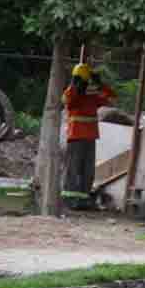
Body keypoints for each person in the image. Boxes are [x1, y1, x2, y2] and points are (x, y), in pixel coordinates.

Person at [61, 62, 117, 210]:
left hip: (90, 137)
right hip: (76, 137)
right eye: (81, 81)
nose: (84, 84)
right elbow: (67, 100)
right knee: (73, 169)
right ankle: (70, 200)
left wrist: (100, 84)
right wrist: (74, 85)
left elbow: (111, 97)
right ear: (76, 80)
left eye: (85, 81)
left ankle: (84, 199)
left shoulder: (91, 96)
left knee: (87, 170)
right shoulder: (72, 94)